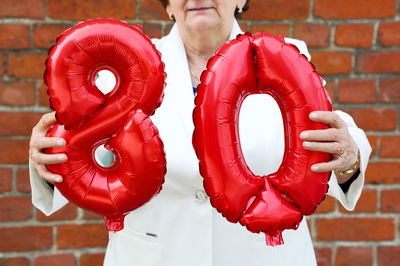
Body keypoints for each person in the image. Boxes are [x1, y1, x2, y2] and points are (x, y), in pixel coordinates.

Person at [29, 0, 372, 265]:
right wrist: (49, 158)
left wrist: (349, 156)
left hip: (260, 257)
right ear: (167, 5)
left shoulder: (285, 60)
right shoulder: (125, 68)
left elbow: (333, 144)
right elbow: (86, 162)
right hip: (154, 256)